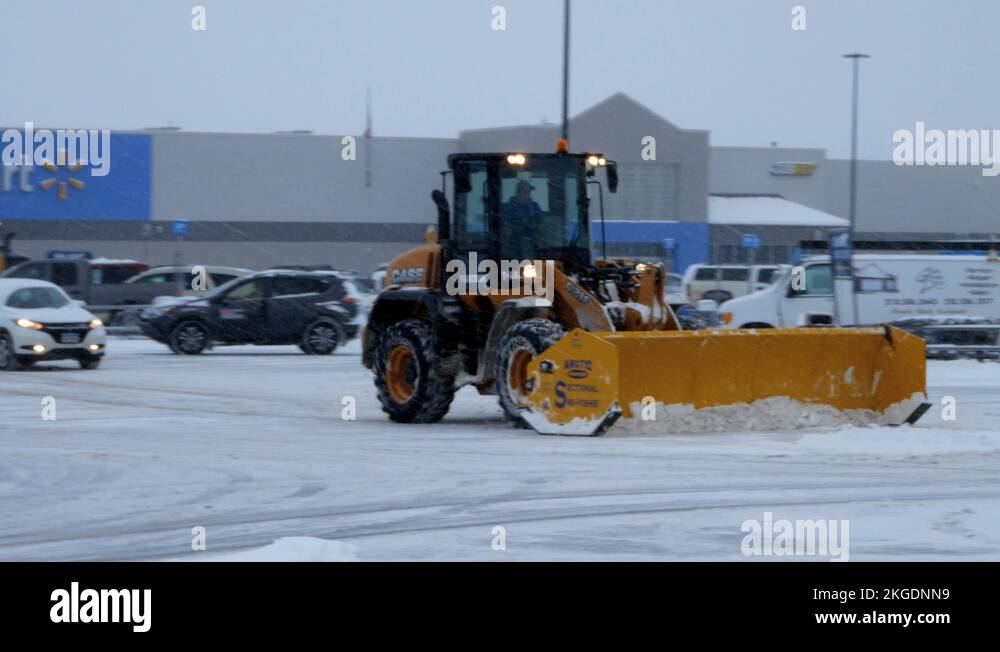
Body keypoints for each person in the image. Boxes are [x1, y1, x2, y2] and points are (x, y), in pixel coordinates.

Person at [501, 180, 543, 259]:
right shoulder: (507, 207)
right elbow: (504, 225)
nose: (525, 194)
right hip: (511, 246)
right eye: (523, 191)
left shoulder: (534, 207)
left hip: (532, 245)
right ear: (518, 192)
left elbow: (540, 223)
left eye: (527, 192)